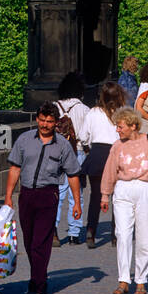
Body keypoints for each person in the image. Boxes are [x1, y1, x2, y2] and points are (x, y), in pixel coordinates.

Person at [4, 102, 82, 294]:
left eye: (49, 121)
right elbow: (14, 169)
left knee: (41, 242)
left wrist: (77, 203)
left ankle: (37, 283)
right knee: (29, 241)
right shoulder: (24, 140)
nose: (45, 125)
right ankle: (38, 274)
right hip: (27, 195)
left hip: (48, 195)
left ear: (55, 123)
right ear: (37, 119)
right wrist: (8, 197)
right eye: (42, 120)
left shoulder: (63, 145)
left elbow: (73, 175)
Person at [100, 108, 148, 294]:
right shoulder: (117, 146)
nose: (118, 130)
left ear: (133, 125)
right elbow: (109, 170)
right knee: (122, 234)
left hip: (146, 189)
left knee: (145, 236)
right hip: (123, 190)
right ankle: (124, 279)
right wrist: (104, 194)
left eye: (121, 126)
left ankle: (141, 279)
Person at [79, 82, 122, 248]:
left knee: (96, 196)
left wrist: (89, 147)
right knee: (117, 198)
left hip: (96, 154)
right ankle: (115, 235)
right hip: (116, 154)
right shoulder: (122, 112)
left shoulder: (93, 112)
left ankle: (91, 230)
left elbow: (83, 136)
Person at [55, 71, 91, 243]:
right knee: (77, 194)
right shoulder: (85, 109)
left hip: (57, 153)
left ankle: (53, 229)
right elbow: (87, 136)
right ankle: (74, 233)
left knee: (58, 192)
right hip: (78, 152)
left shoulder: (55, 107)